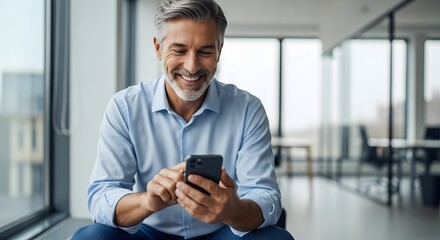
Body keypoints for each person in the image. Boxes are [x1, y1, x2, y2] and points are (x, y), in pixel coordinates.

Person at [72, 0, 294, 239]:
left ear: (219, 50)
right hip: (148, 231)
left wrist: (232, 210)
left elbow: (265, 196)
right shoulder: (125, 107)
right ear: (158, 48)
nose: (192, 66)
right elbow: (101, 195)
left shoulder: (248, 109)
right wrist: (146, 201)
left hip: (221, 232)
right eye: (179, 50)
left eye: (205, 51)